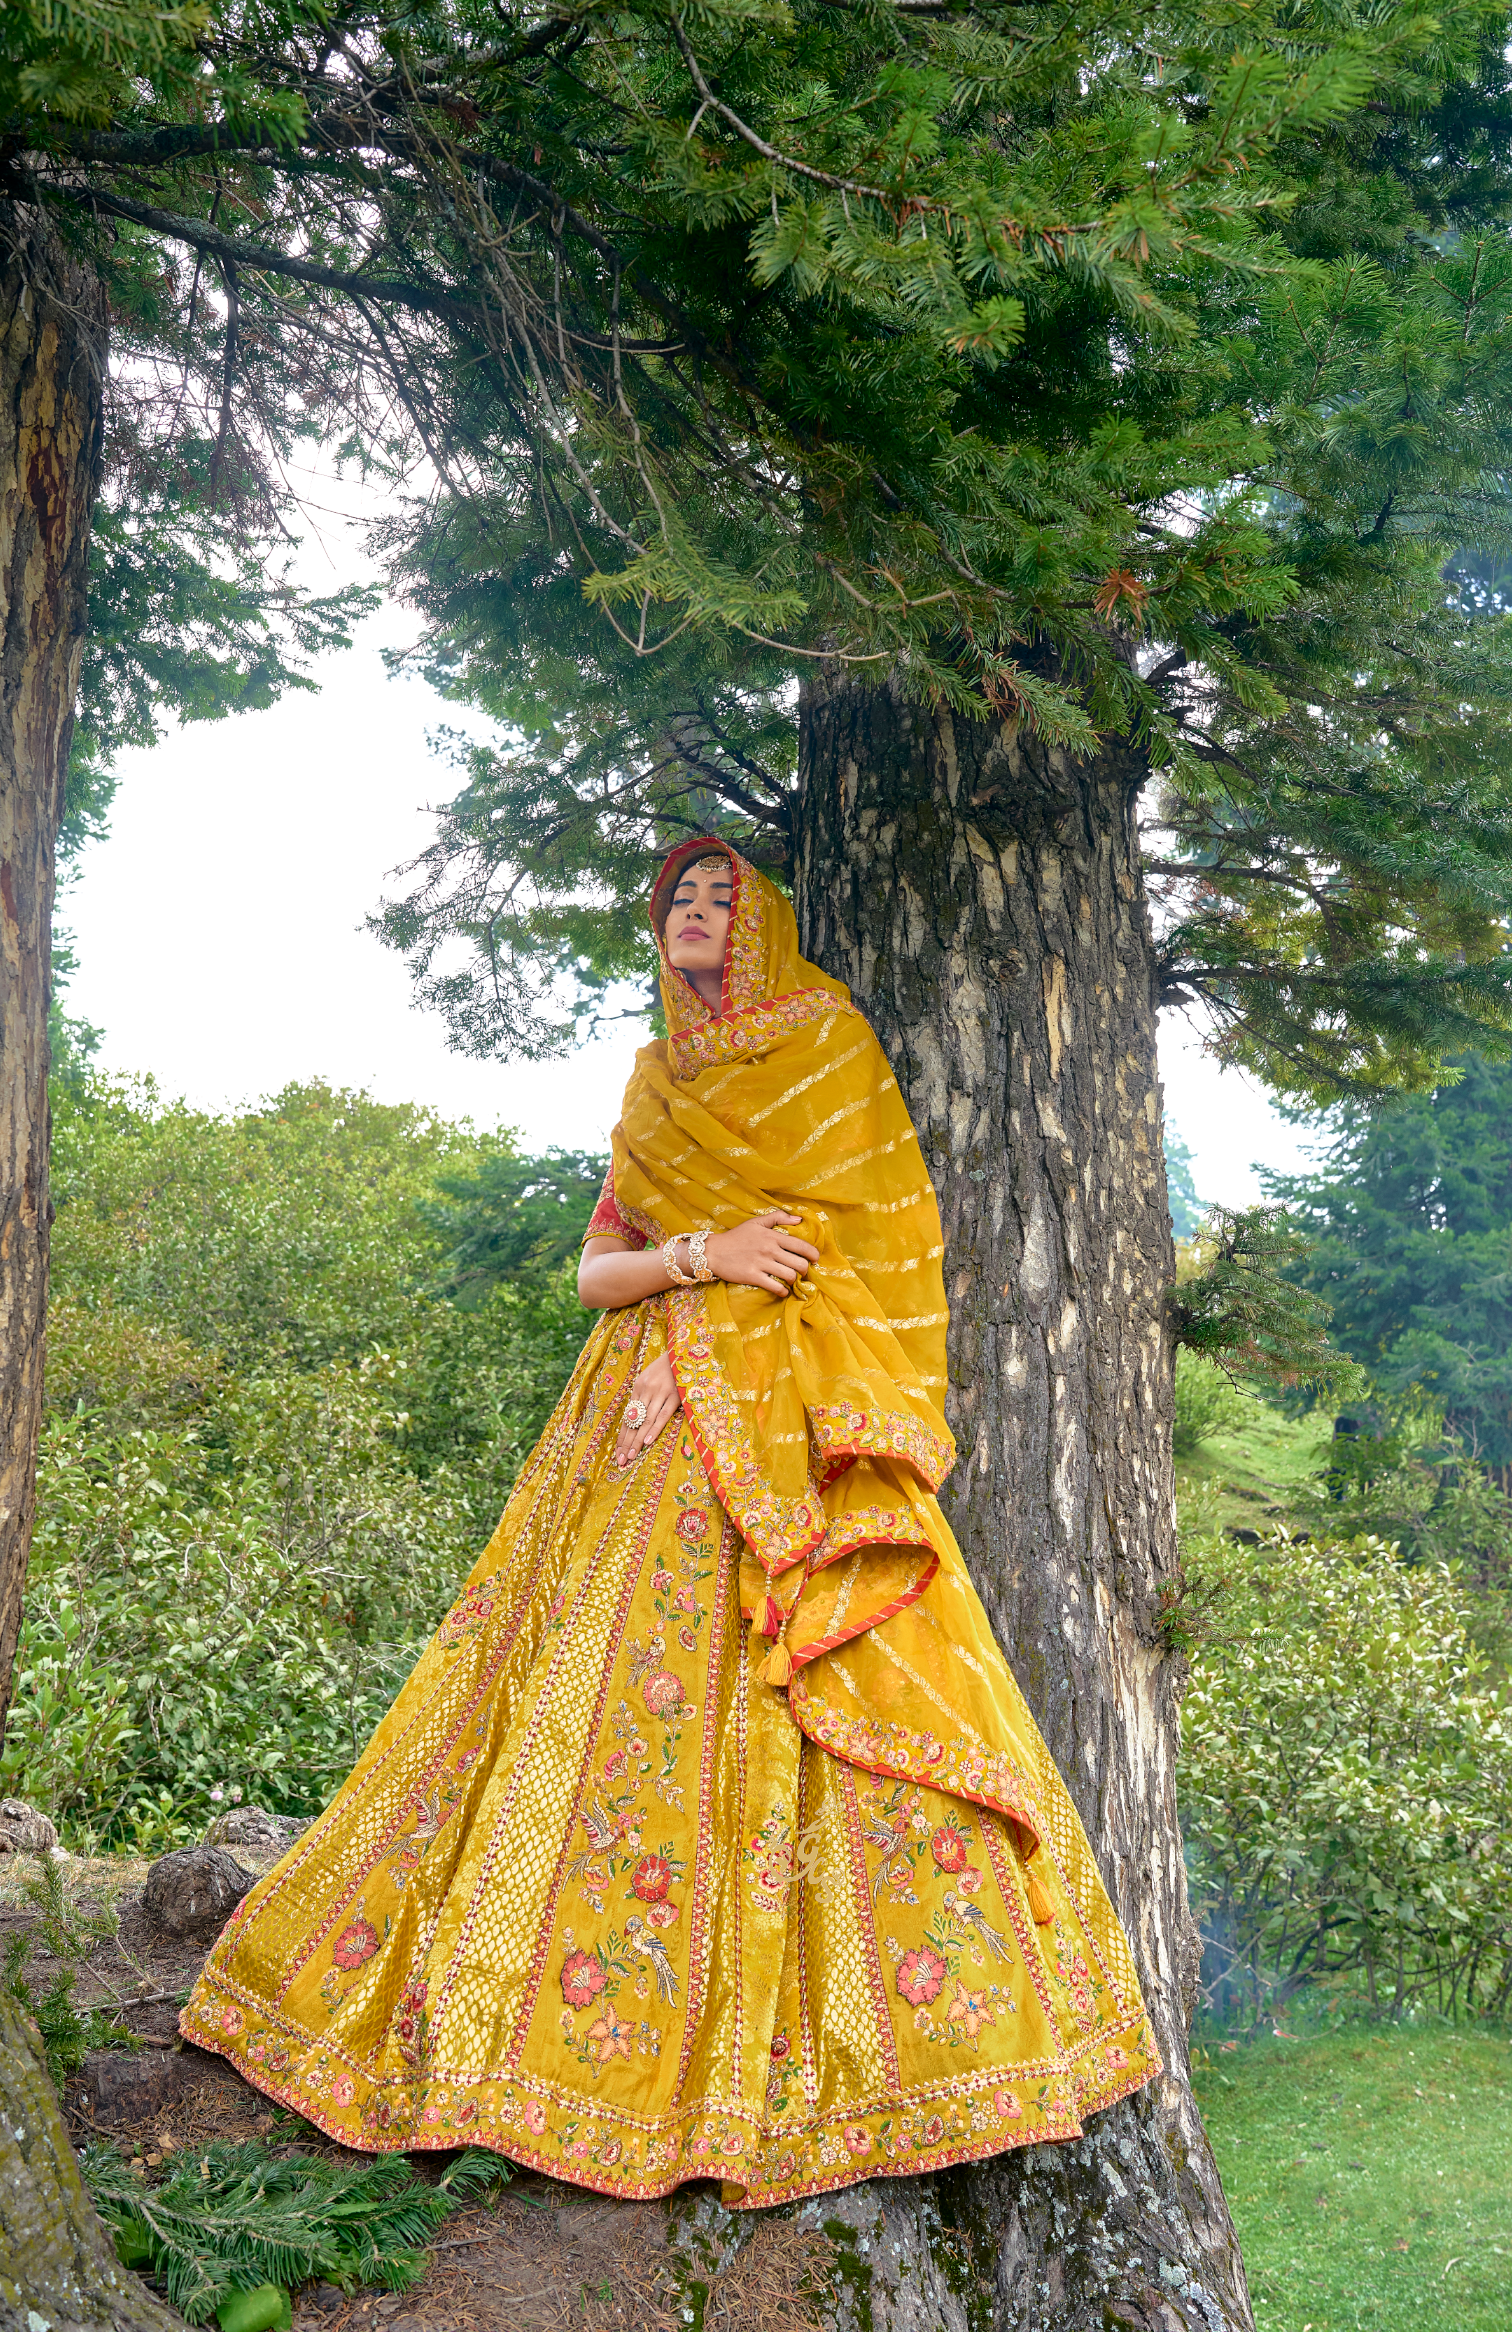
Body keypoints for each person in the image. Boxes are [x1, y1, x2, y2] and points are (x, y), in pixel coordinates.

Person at [181, 838, 1159, 2207]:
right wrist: (707, 1256)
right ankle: (547, 2043)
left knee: (787, 1702)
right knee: (567, 1699)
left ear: (758, 920)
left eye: (720, 896)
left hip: (783, 1416)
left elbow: (884, 1232)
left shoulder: (824, 1043)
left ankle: (863, 2058)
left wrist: (780, 1295)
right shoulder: (656, 1082)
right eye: (674, 901)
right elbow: (597, 1267)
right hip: (639, 1409)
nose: (694, 914)